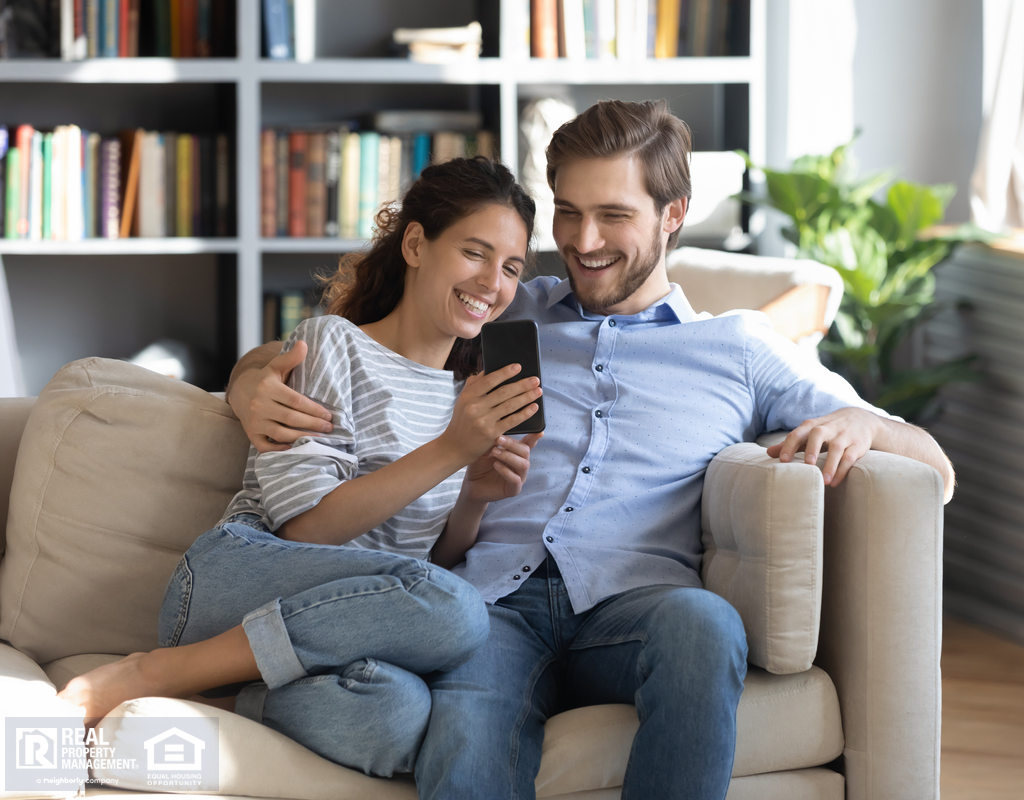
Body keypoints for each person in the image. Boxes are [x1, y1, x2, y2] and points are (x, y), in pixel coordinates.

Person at [226, 101, 955, 799]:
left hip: (633, 610)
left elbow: (934, 465)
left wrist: (861, 423)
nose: (583, 240)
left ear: (673, 216)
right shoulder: (511, 304)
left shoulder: (737, 348)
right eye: (569, 213)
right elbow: (339, 347)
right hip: (492, 605)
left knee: (706, 622)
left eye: (613, 215)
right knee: (470, 739)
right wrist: (249, 384)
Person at [56, 157, 546, 778]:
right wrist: (451, 451)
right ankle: (151, 670)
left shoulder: (463, 400)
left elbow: (411, 572)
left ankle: (229, 694)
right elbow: (307, 531)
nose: (492, 282)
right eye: (475, 253)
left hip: (338, 629)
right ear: (417, 243)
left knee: (399, 716)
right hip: (233, 581)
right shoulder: (330, 344)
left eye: (510, 267)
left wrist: (473, 496)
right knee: (461, 611)